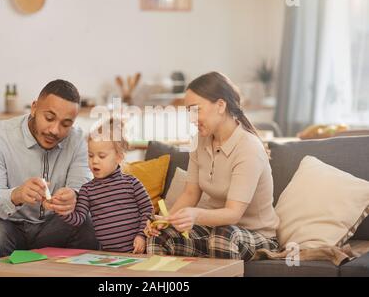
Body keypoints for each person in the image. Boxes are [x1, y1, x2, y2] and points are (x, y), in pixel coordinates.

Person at [145, 72, 280, 261]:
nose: (192, 119)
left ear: (220, 105)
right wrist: (165, 221)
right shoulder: (199, 141)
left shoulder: (248, 147)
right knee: (160, 237)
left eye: (196, 110)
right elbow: (191, 193)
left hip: (256, 236)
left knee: (222, 236)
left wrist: (194, 215)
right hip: (216, 231)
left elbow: (233, 214)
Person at [0, 79, 98, 260]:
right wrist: (17, 195)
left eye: (65, 124)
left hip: (51, 229)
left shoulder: (78, 141)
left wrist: (74, 197)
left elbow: (82, 189)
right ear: (34, 108)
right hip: (6, 225)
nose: (55, 130)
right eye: (49, 118)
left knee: (86, 223)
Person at [45, 118, 153, 253]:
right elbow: (78, 219)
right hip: (109, 256)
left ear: (119, 157)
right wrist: (60, 209)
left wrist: (141, 235)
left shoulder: (132, 183)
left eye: (101, 156)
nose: (94, 161)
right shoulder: (87, 190)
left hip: (138, 252)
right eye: (90, 155)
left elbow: (148, 210)